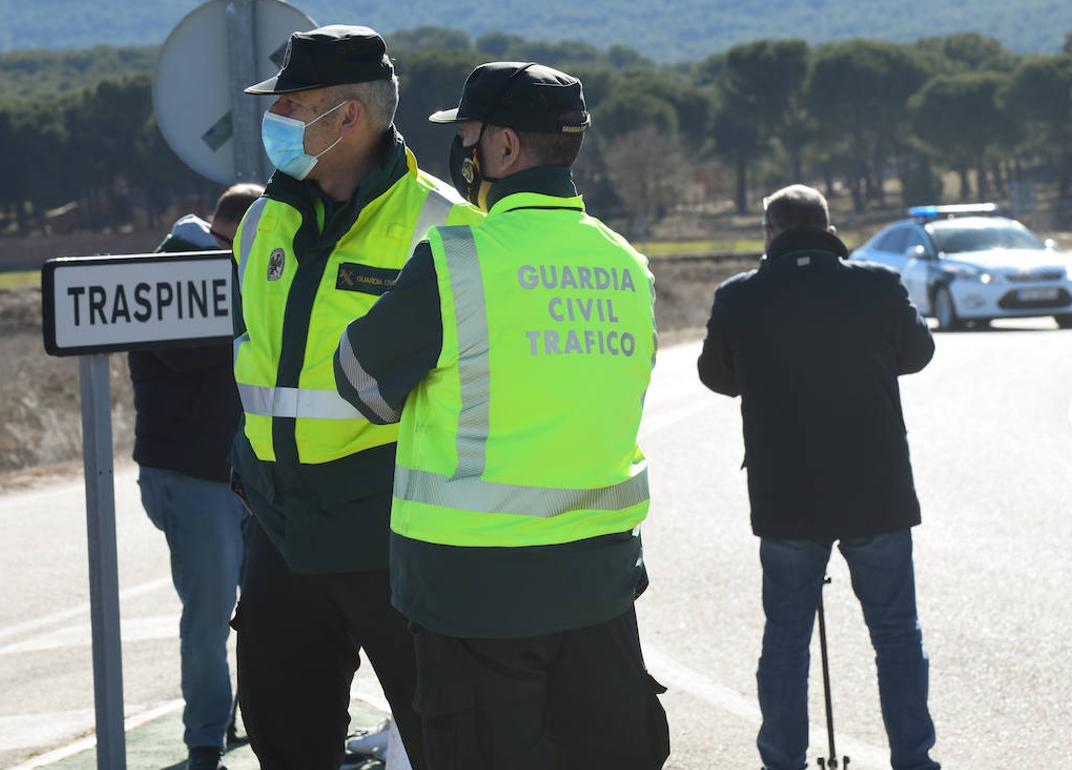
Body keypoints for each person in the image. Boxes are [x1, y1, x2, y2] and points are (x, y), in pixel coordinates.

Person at [333, 61, 670, 770]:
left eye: (468, 136)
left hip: (473, 597)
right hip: (598, 588)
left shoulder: (455, 258)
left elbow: (358, 382)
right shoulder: (627, 265)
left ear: (506, 149)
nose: (461, 152)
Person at [227, 25, 481, 770]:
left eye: (292, 103)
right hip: (280, 528)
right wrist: (247, 469)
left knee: (441, 736)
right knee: (283, 733)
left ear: (348, 118)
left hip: (390, 531)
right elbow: (248, 359)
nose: (275, 118)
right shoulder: (259, 222)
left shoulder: (446, 228)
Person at [697, 184, 940, 770]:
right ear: (828, 227)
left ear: (770, 232)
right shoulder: (878, 285)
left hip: (787, 497)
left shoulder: (740, 298)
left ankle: (783, 761)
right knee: (896, 635)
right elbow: (918, 353)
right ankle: (914, 759)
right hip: (876, 491)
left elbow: (715, 376)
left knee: (786, 638)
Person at [129, 183, 263, 770]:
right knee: (210, 616)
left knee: (266, 612)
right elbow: (188, 355)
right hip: (191, 476)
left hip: (239, 476)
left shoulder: (229, 274)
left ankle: (254, 720)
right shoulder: (174, 275)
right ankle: (205, 738)